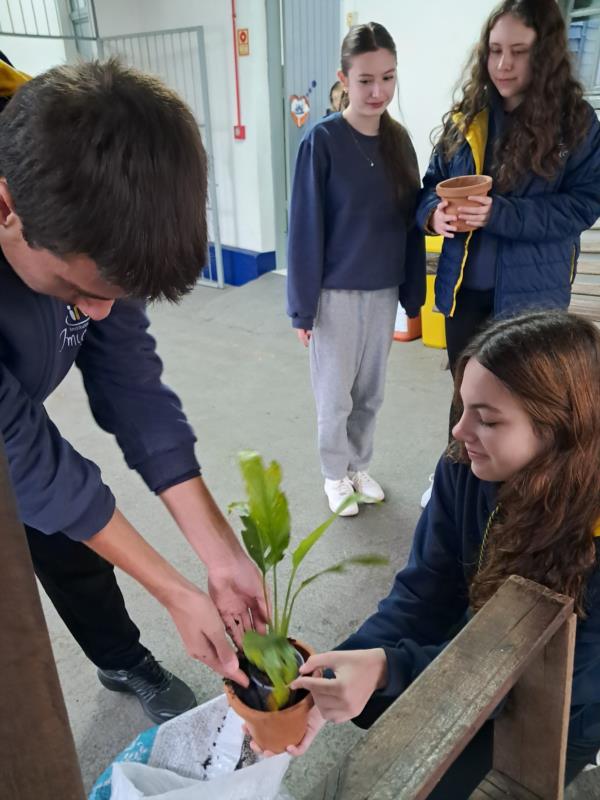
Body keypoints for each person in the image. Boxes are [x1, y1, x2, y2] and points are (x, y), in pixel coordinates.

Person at [0, 59, 268, 725]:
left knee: (67, 533)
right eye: (77, 290)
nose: (94, 315)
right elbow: (26, 456)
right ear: (6, 207)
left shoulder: (86, 193)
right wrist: (175, 591)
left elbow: (132, 386)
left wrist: (218, 553)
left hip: (17, 400)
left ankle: (119, 655)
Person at [279, 311, 600, 795]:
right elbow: (423, 592)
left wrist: (392, 668)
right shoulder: (463, 469)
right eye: (463, 407)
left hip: (563, 705)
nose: (459, 432)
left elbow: (554, 683)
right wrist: (336, 667)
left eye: (487, 419)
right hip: (476, 647)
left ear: (560, 432)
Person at [415, 0, 600, 507]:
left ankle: (521, 496)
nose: (503, 65)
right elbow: (429, 188)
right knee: (465, 395)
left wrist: (499, 214)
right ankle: (455, 487)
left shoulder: (576, 124)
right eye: (495, 50)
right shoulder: (466, 116)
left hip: (532, 295)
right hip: (464, 290)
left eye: (519, 52)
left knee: (524, 401)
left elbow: (582, 206)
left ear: (546, 56)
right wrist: (435, 215)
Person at [286, 22, 425, 517]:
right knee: (335, 396)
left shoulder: (399, 142)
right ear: (343, 78)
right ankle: (333, 475)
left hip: (383, 290)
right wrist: (303, 309)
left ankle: (358, 465)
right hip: (335, 295)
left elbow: (411, 221)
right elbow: (305, 227)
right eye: (365, 80)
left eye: (387, 78)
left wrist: (413, 296)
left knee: (370, 392)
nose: (378, 91)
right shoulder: (321, 141)